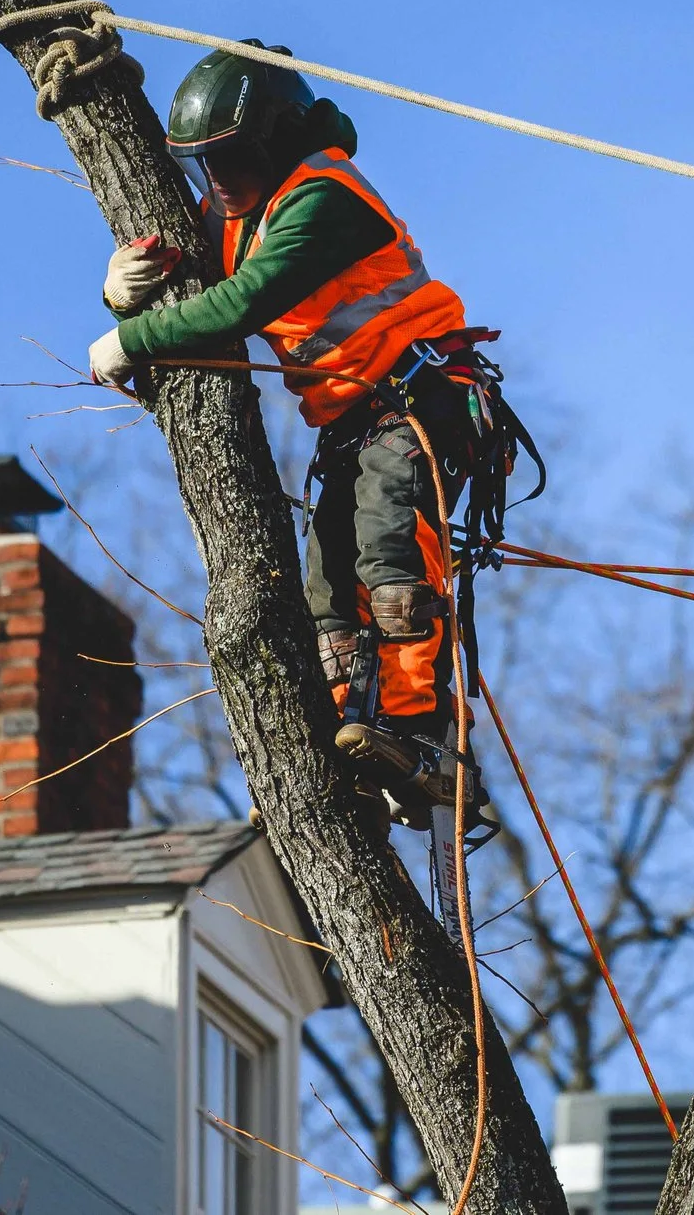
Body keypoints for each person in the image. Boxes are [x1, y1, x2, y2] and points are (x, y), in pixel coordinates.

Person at [85, 42, 495, 829]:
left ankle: (421, 735)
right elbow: (189, 271)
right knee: (328, 594)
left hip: (418, 399)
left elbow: (241, 302)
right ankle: (358, 728)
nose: (222, 186)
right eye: (210, 169)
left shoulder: (325, 195)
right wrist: (122, 291)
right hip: (350, 422)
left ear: (274, 139)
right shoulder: (241, 213)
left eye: (234, 163)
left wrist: (135, 342)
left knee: (393, 560)